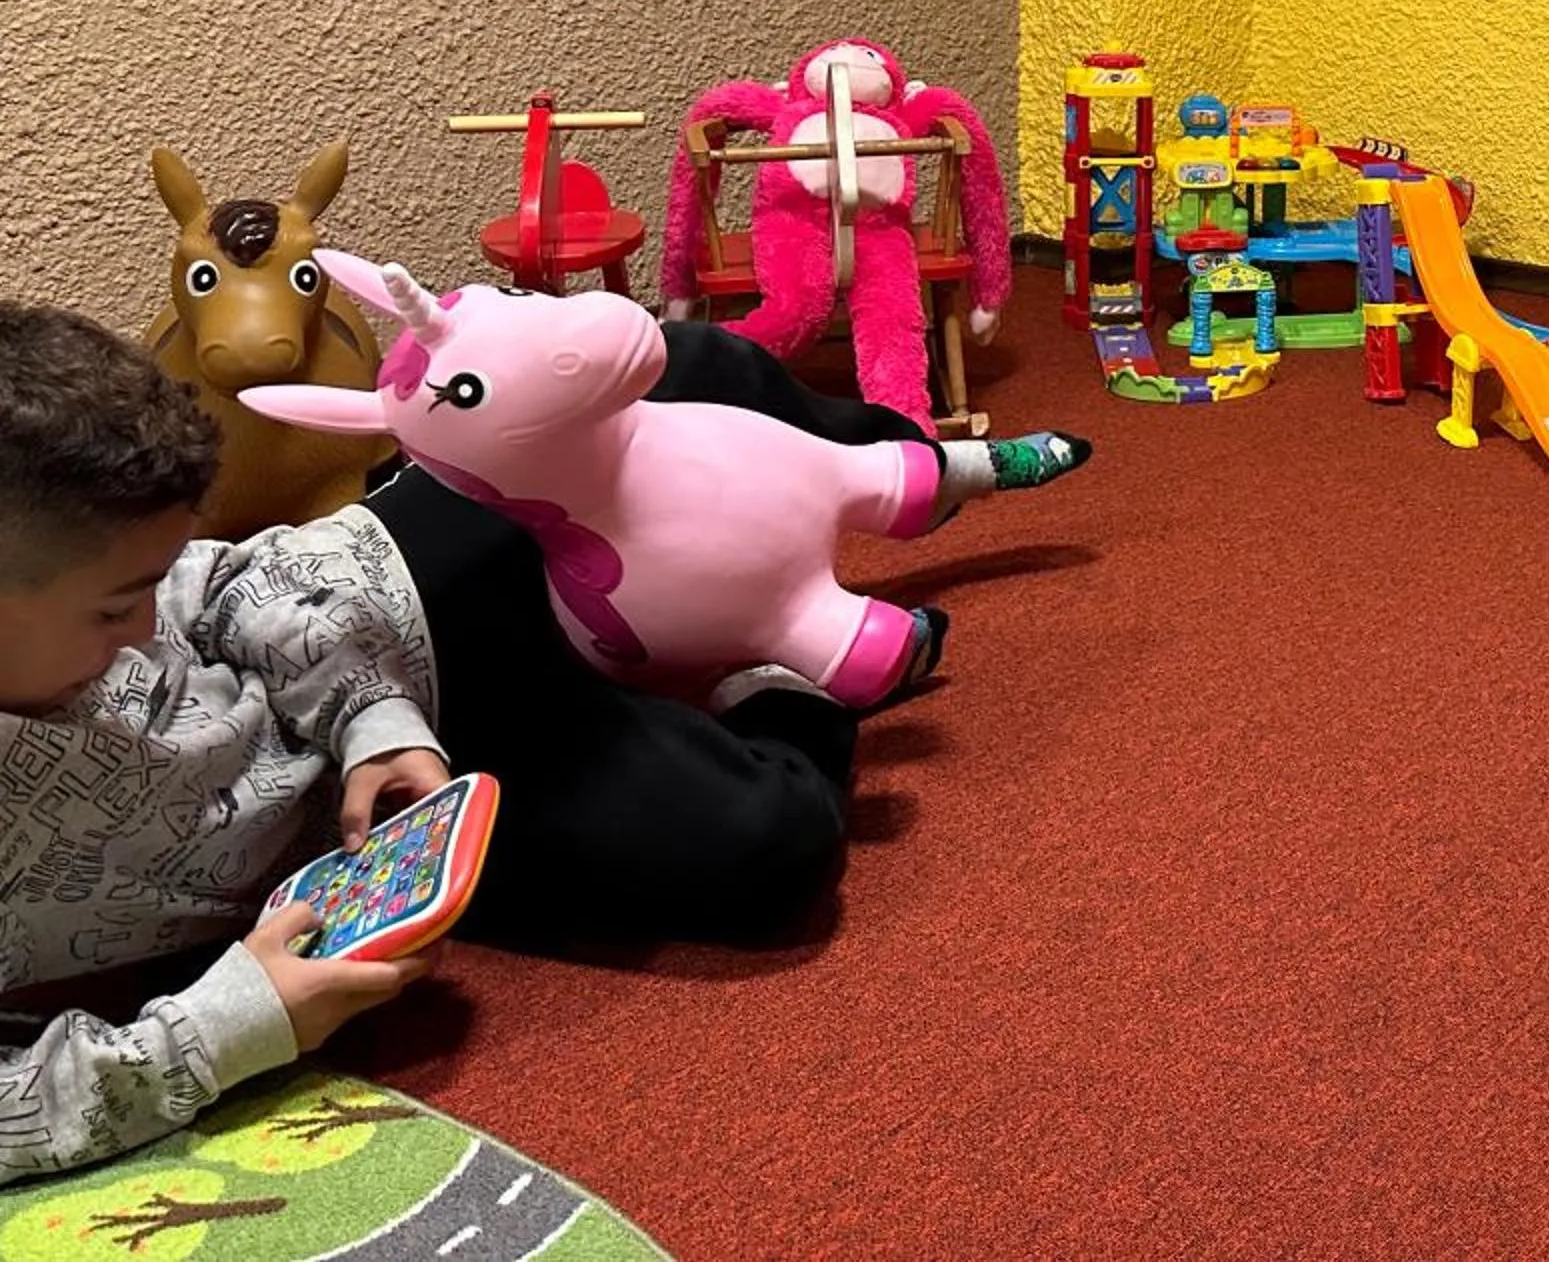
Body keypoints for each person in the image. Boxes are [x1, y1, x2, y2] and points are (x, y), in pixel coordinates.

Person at [0, 301, 1089, 1185]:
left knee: (680, 369)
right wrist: (231, 1022)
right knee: (769, 851)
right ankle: (785, 665)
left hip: (382, 605)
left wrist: (371, 724)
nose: (144, 630)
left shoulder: (115, 572)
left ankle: (909, 470)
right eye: (111, 608)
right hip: (389, 832)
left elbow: (232, 583)